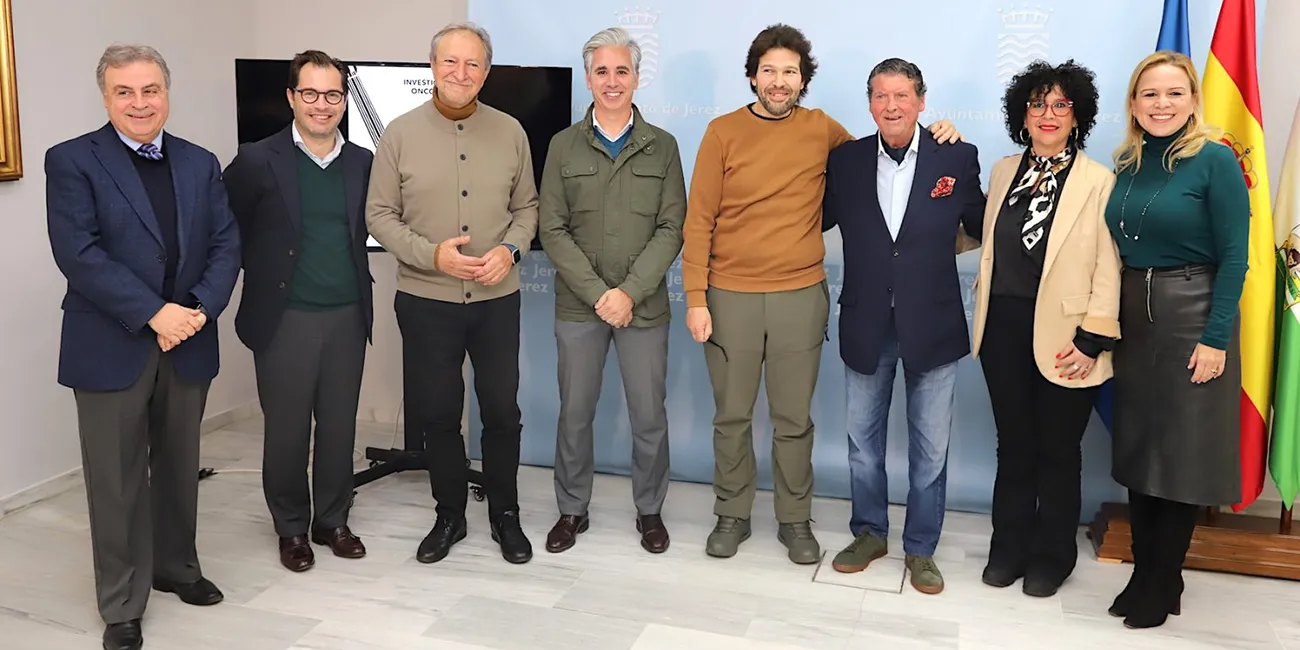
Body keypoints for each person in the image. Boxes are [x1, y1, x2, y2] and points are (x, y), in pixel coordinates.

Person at [682, 25, 960, 564]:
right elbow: (698, 222)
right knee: (732, 416)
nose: (779, 81)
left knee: (793, 420)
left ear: (803, 79)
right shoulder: (721, 132)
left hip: (799, 294)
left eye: (790, 71)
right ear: (752, 76)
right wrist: (697, 297)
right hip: (730, 294)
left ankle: (794, 520)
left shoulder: (822, 131)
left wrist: (937, 133)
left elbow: (885, 152)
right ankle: (732, 513)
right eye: (769, 71)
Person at [45, 44, 241, 650]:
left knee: (181, 464)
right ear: (106, 97)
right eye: (125, 92)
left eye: (150, 90)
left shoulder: (200, 162)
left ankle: (176, 567)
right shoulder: (73, 160)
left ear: (166, 93)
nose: (139, 102)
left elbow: (226, 245)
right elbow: (79, 254)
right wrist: (154, 312)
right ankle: (122, 601)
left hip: (187, 339)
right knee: (117, 477)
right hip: (112, 341)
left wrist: (197, 311)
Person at [365, 21, 538, 565]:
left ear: (486, 72)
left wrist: (509, 251)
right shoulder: (398, 133)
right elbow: (378, 215)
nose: (461, 73)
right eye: (450, 63)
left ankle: (505, 514)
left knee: (502, 412)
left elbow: (528, 209)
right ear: (433, 68)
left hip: (496, 301)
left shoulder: (511, 131)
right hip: (425, 299)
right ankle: (450, 514)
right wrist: (430, 254)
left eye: (473, 64)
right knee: (439, 413)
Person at [822, 58, 985, 594]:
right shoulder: (844, 161)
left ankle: (921, 548)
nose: (891, 106)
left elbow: (981, 224)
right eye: (880, 96)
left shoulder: (956, 156)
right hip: (866, 322)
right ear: (869, 102)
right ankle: (869, 532)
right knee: (861, 445)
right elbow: (809, 216)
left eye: (902, 96)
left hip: (933, 325)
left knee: (930, 449)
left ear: (921, 100)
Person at [1103, 51, 1248, 630]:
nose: (1161, 104)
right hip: (1136, 317)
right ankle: (1149, 572)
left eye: (1173, 93)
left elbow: (1237, 256)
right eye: (1150, 94)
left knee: (1181, 455)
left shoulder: (1215, 161)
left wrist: (1216, 338)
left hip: (1194, 312)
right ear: (1134, 104)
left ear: (1193, 100)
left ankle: (1161, 579)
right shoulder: (1127, 163)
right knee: (1141, 448)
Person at [968, 60, 1120, 598]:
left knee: (1058, 452)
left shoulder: (1100, 181)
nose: (1048, 114)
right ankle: (1007, 549)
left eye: (1060, 104)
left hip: (1069, 336)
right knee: (1014, 448)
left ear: (1077, 115)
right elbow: (982, 240)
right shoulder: (1004, 171)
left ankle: (1052, 557)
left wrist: (1092, 339)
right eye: (1037, 104)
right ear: (1022, 116)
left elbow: (1109, 265)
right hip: (1003, 330)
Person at [223, 50, 374, 573]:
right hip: (284, 317)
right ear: (291, 97)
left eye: (332, 94)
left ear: (344, 100)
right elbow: (226, 232)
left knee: (339, 427)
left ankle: (331, 520)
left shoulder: (362, 161)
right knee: (287, 431)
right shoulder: (256, 160)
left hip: (348, 314)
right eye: (309, 93)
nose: (321, 104)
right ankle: (291, 527)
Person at [537, 27, 686, 554]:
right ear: (588, 78)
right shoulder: (561, 146)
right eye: (602, 71)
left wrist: (628, 293)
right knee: (575, 413)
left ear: (637, 79)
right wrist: (600, 293)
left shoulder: (663, 148)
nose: (612, 80)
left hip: (642, 309)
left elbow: (672, 229)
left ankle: (650, 511)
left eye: (622, 71)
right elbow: (551, 228)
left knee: (649, 416)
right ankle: (571, 510)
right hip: (579, 307)